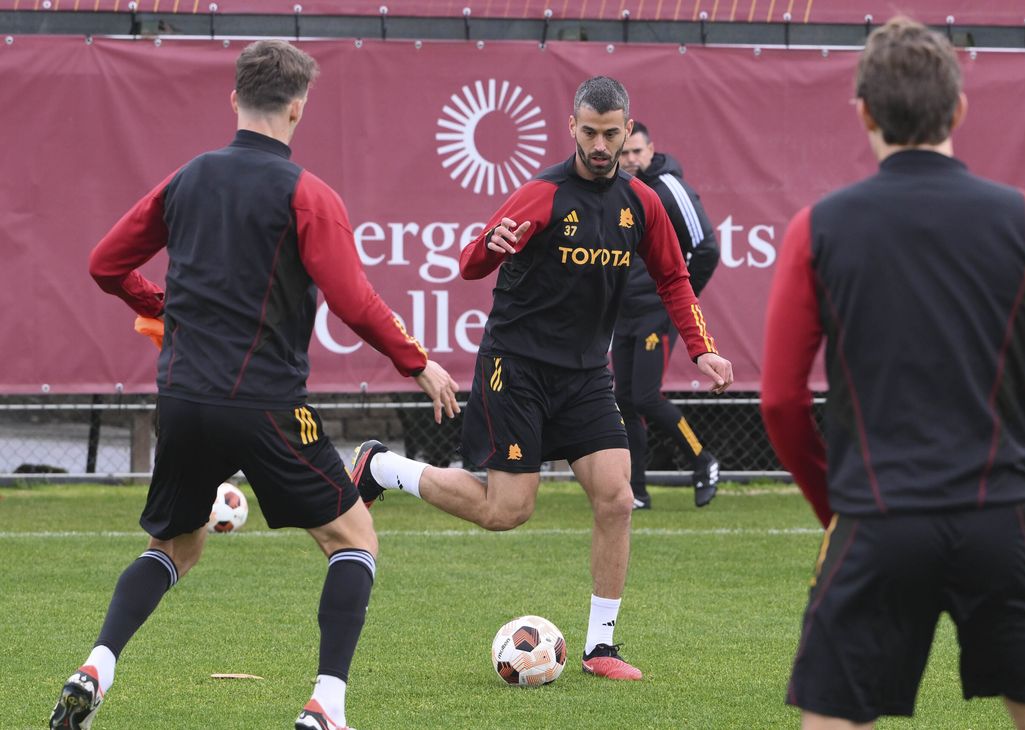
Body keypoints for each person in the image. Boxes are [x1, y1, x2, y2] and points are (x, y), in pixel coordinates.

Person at [49, 40, 458, 730]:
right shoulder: (308, 194)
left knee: (175, 546)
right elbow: (354, 300)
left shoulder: (187, 179)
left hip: (180, 400)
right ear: (298, 107)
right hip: (264, 404)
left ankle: (97, 666)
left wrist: (159, 306)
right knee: (352, 535)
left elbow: (103, 264)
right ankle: (326, 705)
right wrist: (417, 362)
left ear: (234, 99)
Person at [348, 76, 734, 681]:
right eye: (590, 132)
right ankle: (380, 467)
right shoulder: (542, 194)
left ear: (628, 130)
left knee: (615, 496)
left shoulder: (643, 203)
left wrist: (701, 348)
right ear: (572, 128)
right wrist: (493, 244)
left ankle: (600, 647)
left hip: (585, 375)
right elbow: (471, 262)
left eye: (612, 133)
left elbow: (673, 280)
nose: (601, 144)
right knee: (508, 511)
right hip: (517, 367)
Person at [761, 17, 1025, 729]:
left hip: (877, 519)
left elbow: (781, 403)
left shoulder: (817, 229)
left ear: (865, 112)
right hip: (998, 519)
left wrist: (836, 502)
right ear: (959, 109)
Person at [616, 121, 722, 510]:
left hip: (655, 312)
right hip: (623, 314)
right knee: (624, 400)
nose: (629, 159)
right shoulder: (616, 188)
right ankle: (637, 491)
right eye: (623, 152)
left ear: (650, 150)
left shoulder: (668, 186)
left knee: (644, 397)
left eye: (636, 152)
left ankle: (702, 460)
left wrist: (677, 301)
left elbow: (706, 249)